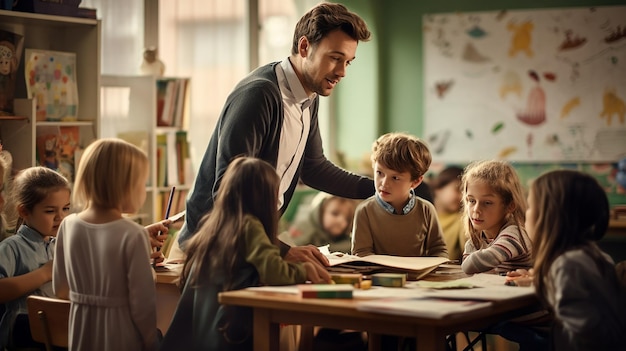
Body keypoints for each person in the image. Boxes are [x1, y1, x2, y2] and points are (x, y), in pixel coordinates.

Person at [177, 3, 373, 270]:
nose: (342, 72)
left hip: (250, 247)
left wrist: (379, 190)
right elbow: (228, 189)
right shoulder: (260, 95)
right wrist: (280, 250)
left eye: (348, 61)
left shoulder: (309, 96)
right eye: (335, 58)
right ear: (304, 47)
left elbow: (313, 168)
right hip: (213, 249)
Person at [161, 157, 329, 351]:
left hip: (201, 336)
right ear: (265, 196)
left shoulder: (215, 225)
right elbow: (273, 271)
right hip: (230, 336)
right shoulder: (249, 225)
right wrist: (303, 269)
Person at [52, 138, 163, 351]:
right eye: (142, 183)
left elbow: (61, 289)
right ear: (124, 186)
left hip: (81, 332)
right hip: (120, 334)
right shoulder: (133, 234)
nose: (144, 190)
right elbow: (143, 307)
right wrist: (150, 341)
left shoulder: (68, 225)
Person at [515, 170, 626, 350]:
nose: (525, 214)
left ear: (548, 217)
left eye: (529, 206)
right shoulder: (593, 256)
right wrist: (540, 279)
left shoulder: (568, 266)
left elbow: (586, 336)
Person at [0, 167, 71, 350]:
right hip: (24, 333)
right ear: (24, 212)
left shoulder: (61, 245)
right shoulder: (12, 247)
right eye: (50, 211)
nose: (60, 217)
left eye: (65, 208)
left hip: (58, 330)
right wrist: (44, 273)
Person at [351, 132, 447, 258]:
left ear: (416, 181)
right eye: (379, 173)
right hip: (379, 277)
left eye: (395, 178)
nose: (384, 183)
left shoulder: (426, 210)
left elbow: (439, 250)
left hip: (419, 277)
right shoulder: (364, 211)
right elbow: (361, 253)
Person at [460, 160, 532, 274]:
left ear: (509, 206)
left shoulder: (515, 233)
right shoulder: (475, 241)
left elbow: (469, 266)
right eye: (472, 200)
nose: (476, 209)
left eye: (487, 203)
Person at [282, 192, 357, 254]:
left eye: (347, 219)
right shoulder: (305, 229)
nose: (340, 221)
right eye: (335, 213)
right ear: (320, 212)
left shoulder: (348, 242)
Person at [432, 165, 465, 261]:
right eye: (458, 190)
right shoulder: (422, 216)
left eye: (465, 192)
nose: (462, 197)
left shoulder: (462, 220)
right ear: (438, 189)